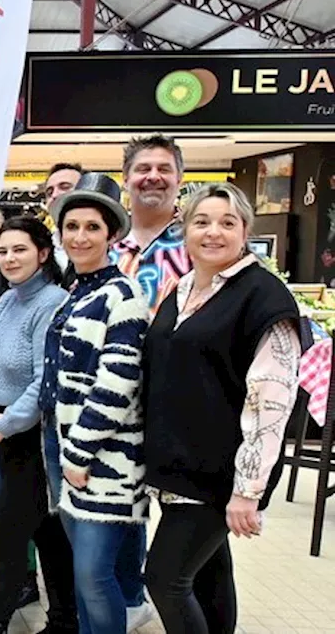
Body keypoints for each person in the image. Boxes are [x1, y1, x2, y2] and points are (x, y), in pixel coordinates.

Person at [142, 183, 300, 634]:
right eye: (202, 222)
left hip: (218, 472)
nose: (213, 232)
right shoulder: (183, 287)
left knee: (166, 579)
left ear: (245, 230)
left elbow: (271, 399)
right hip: (179, 464)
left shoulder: (262, 296)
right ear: (184, 230)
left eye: (227, 223)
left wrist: (248, 490)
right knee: (208, 574)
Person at [45, 173, 150, 634]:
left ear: (111, 234)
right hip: (70, 451)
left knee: (93, 575)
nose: (80, 236)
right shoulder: (76, 292)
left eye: (92, 227)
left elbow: (118, 382)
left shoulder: (122, 295)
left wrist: (78, 453)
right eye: (72, 227)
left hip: (106, 459)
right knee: (83, 572)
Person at [0, 216, 77, 634]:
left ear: (44, 253)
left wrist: (6, 422)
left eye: (20, 249)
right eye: (4, 251)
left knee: (12, 531)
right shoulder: (5, 300)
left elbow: (44, 380)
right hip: (3, 429)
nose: (10, 258)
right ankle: (64, 620)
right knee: (46, 531)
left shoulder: (52, 301)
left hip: (37, 437)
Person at [114, 134, 190, 312]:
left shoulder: (200, 240)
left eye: (164, 169)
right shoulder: (104, 240)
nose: (154, 176)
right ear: (125, 179)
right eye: (143, 169)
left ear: (179, 180)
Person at [43, 162, 84, 271]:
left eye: (65, 187)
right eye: (49, 192)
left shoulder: (117, 248)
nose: (55, 195)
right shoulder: (40, 247)